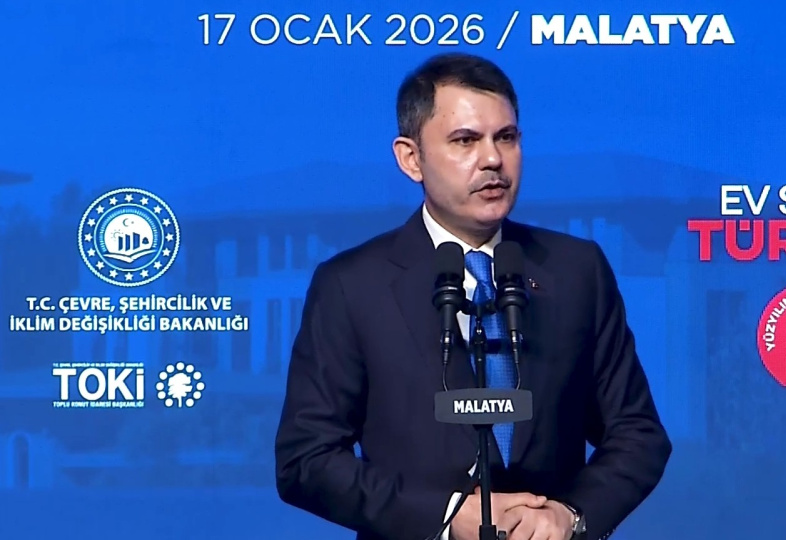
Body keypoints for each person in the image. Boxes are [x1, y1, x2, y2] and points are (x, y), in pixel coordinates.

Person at [275, 52, 672, 540]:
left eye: (506, 137)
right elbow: (306, 460)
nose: (493, 159)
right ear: (411, 158)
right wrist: (444, 516)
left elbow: (638, 433)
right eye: (465, 140)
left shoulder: (576, 270)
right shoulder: (352, 285)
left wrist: (569, 516)